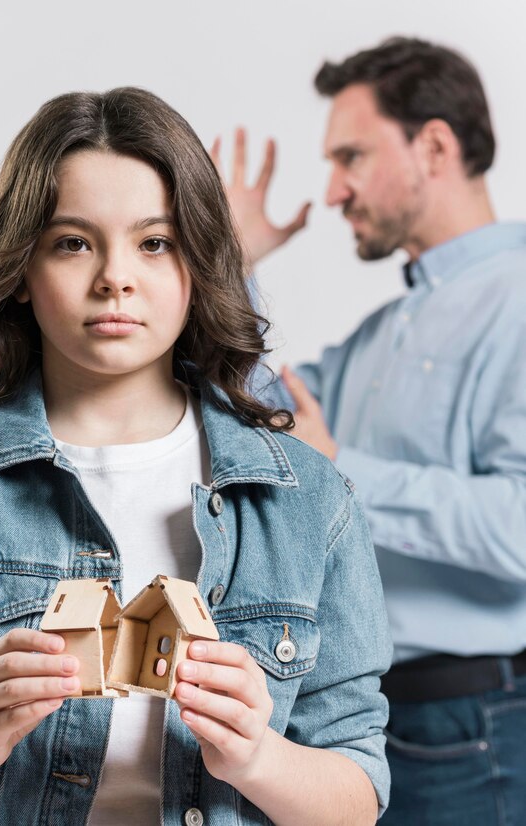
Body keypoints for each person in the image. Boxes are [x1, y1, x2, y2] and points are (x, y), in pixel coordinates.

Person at [0, 86, 391, 826]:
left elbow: (359, 796)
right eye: (73, 242)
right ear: (22, 269)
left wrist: (256, 757)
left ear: (197, 264)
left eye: (155, 243)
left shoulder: (310, 500)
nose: (116, 277)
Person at [220, 37, 526, 825]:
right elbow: (258, 416)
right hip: (364, 727)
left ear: (435, 147)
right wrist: (232, 265)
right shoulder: (382, 332)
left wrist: (341, 469)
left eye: (351, 156)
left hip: (474, 730)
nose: (333, 191)